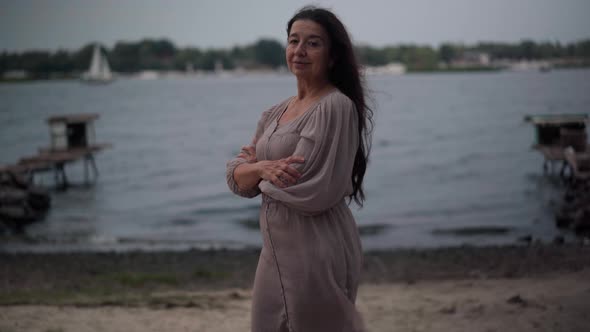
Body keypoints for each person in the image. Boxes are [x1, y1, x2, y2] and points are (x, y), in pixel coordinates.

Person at [226, 6, 372, 332]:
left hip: (316, 250)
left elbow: (308, 188)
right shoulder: (274, 112)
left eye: (313, 43)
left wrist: (253, 172)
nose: (300, 51)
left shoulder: (335, 106)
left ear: (333, 56)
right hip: (274, 252)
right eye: (294, 41)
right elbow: (236, 179)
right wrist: (261, 169)